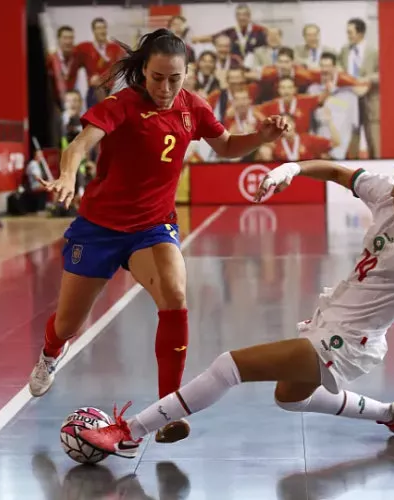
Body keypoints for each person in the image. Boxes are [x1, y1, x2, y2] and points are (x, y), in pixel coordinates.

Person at [75, 140, 394, 458]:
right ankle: (388, 412)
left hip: (349, 341)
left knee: (229, 366)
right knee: (289, 398)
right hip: (331, 322)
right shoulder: (391, 198)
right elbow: (340, 172)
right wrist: (293, 168)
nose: (393, 191)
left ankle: (129, 433)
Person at [29, 28, 290, 444]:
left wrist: (261, 137)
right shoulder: (122, 104)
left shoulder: (194, 107)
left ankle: (168, 407)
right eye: (156, 78)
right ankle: (50, 352)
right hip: (98, 228)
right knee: (68, 323)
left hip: (151, 227)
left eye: (175, 78)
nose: (166, 88)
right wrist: (65, 175)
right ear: (142, 73)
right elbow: (80, 144)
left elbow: (224, 147)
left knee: (175, 295)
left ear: (186, 73)